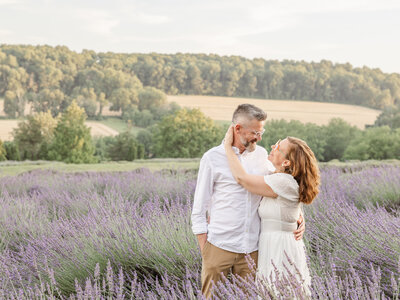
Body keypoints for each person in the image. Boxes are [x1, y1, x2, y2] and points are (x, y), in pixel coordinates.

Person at [191, 104, 305, 299]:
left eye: (261, 132)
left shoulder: (262, 156)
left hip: (252, 250)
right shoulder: (212, 158)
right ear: (237, 129)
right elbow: (199, 209)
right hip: (219, 245)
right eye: (255, 132)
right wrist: (206, 251)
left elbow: (282, 187)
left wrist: (298, 215)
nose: (259, 138)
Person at [224, 125, 320, 294]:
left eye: (278, 147)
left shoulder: (283, 181)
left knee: (280, 292)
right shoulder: (278, 178)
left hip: (280, 247)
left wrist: (228, 148)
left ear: (286, 162)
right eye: (276, 143)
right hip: (272, 243)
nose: (272, 147)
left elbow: (242, 179)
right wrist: (299, 216)